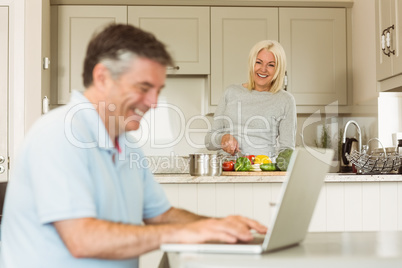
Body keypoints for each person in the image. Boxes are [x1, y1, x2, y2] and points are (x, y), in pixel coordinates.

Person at [0, 24, 267, 267]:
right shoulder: (59, 133)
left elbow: (161, 216)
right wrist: (186, 233)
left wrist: (219, 226)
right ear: (103, 77)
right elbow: (82, 239)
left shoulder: (126, 144)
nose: (153, 102)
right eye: (143, 87)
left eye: (158, 90)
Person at [205, 40, 296, 158]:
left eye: (271, 65)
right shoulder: (231, 92)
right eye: (259, 62)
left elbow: (287, 150)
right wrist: (223, 138)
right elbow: (209, 140)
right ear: (251, 63)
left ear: (278, 69)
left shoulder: (285, 100)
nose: (263, 69)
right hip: (227, 168)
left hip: (262, 170)